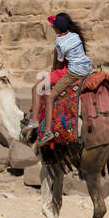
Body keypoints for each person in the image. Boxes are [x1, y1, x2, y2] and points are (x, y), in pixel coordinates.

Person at [29, 12, 94, 146]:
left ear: (57, 29)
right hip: (87, 69)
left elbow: (59, 63)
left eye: (53, 27)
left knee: (50, 97)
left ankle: (47, 131)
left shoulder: (59, 41)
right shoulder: (75, 35)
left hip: (74, 73)